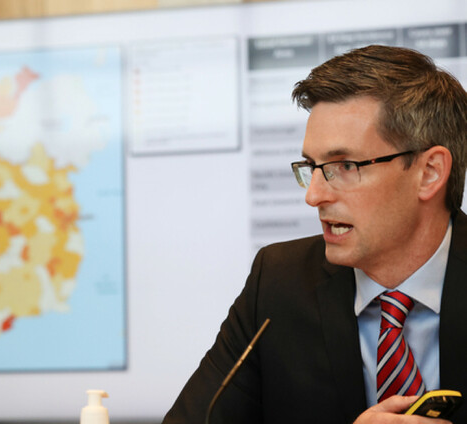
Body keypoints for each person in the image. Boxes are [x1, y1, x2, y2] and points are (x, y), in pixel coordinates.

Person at [162, 44, 467, 424]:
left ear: (429, 172)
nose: (314, 196)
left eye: (345, 166)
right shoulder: (279, 283)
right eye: (312, 166)